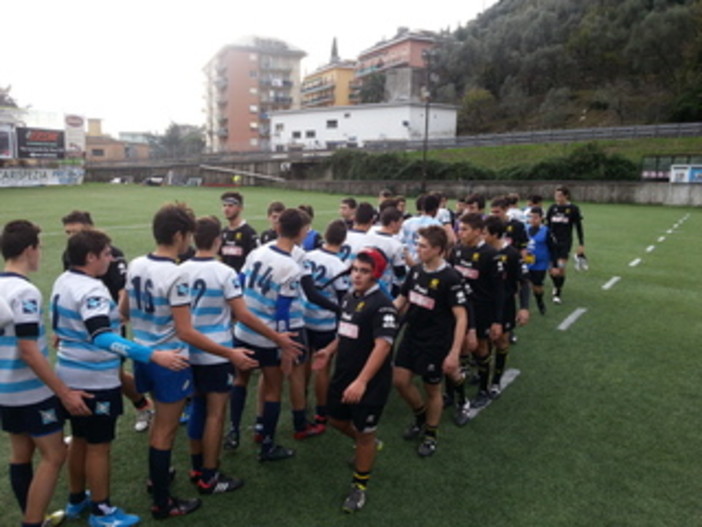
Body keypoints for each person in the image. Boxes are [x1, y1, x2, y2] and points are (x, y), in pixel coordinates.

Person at [122, 202, 257, 519]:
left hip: (143, 355)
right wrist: (230, 353)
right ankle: (165, 502)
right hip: (169, 360)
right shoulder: (174, 274)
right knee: (165, 432)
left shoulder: (137, 263)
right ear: (180, 235)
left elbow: (124, 312)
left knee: (160, 424)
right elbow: (185, 331)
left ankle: (158, 483)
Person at [53, 229, 188, 527]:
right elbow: (101, 336)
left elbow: (65, 325)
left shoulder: (63, 280)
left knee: (80, 438)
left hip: (68, 372)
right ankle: (102, 511)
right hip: (94, 379)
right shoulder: (93, 290)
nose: (111, 258)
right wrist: (153, 355)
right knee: (99, 446)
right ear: (90, 257)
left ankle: (77, 500)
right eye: (105, 254)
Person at [180, 216, 302, 493]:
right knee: (251, 397)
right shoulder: (225, 272)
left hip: (200, 346)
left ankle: (202, 461)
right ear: (217, 241)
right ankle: (251, 452)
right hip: (230, 345)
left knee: (205, 402)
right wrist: (279, 339)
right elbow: (246, 312)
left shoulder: (182, 269)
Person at [0, 220, 91, 527]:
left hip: (6, 389)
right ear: (29, 250)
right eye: (39, 248)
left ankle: (32, 517)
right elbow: (28, 351)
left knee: (21, 453)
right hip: (30, 391)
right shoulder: (25, 292)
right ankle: (33, 522)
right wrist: (64, 393)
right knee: (54, 456)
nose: (40, 254)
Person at [312, 249, 398, 513]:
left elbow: (382, 346)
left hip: (369, 384)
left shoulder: (383, 305)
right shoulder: (350, 297)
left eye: (364, 271)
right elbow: (346, 332)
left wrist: (361, 381)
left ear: (376, 275)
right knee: (336, 419)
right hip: (343, 377)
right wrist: (329, 350)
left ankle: (359, 488)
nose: (357, 275)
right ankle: (369, 443)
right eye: (355, 269)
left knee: (364, 435)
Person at [60, 210, 154, 433]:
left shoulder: (111, 255)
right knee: (103, 374)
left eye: (76, 231)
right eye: (68, 233)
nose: (71, 237)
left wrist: (120, 317)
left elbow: (124, 289)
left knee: (114, 373)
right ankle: (141, 405)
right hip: (81, 328)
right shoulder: (70, 256)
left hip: (105, 325)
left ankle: (143, 405)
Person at [230, 208, 309, 461]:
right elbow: (283, 311)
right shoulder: (290, 266)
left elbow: (239, 283)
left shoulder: (257, 251)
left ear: (278, 227)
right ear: (299, 233)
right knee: (274, 389)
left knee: (240, 380)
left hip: (243, 330)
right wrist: (285, 345)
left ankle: (233, 431)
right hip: (266, 336)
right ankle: (267, 444)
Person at [393, 226, 468, 457]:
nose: (418, 249)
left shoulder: (450, 277)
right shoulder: (415, 271)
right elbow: (402, 299)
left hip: (435, 342)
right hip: (411, 336)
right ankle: (420, 416)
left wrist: (454, 352)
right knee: (400, 381)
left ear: (437, 249)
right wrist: (382, 316)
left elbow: (461, 316)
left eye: (423, 246)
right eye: (418, 244)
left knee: (432, 388)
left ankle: (431, 434)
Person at [452, 213, 505, 409]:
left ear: (478, 231)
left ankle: (483, 388)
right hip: (459, 308)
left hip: (482, 309)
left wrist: (497, 320)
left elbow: (499, 291)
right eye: (459, 228)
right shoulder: (456, 251)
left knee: (481, 348)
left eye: (464, 229)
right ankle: (453, 391)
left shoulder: (490, 255)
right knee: (458, 348)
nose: (460, 232)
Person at [302, 219, 349, 430]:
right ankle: (321, 413)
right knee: (322, 368)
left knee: (302, 365)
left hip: (303, 318)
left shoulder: (307, 256)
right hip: (324, 323)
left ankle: (300, 406)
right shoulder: (339, 266)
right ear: (343, 240)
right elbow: (342, 300)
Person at [483, 217, 530, 397]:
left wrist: (524, 307)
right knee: (483, 342)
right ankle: (482, 374)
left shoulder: (511, 254)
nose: (481, 235)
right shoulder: (482, 252)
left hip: (505, 304)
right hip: (483, 304)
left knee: (501, 340)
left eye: (484, 233)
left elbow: (524, 282)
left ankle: (495, 381)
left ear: (495, 235)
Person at [545, 185, 585, 304]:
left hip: (565, 243)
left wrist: (581, 243)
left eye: (560, 195)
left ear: (566, 196)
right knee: (552, 269)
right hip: (551, 242)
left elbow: (578, 227)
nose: (557, 198)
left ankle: (558, 292)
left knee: (561, 267)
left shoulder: (573, 209)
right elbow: (547, 225)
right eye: (556, 195)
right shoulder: (552, 208)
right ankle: (556, 285)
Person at [366, 207, 406, 298]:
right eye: (400, 222)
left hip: (364, 284)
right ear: (393, 223)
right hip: (383, 290)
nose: (401, 226)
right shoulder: (395, 245)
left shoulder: (369, 233)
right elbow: (400, 274)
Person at [219, 191, 259, 274]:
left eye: (230, 206)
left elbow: (256, 260)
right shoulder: (223, 233)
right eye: (224, 205)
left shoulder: (249, 233)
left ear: (240, 208)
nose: (226, 209)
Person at [400, 194, 443, 267]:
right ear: (436, 209)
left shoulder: (407, 222)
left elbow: (401, 243)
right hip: (426, 265)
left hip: (407, 263)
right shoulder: (437, 225)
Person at [525, 207, 552, 315]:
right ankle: (524, 306)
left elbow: (552, 247)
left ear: (541, 218)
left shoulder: (546, 231)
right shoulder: (524, 228)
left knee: (537, 286)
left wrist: (552, 263)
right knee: (523, 284)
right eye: (531, 217)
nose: (533, 219)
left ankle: (539, 301)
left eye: (536, 217)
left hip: (539, 263)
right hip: (525, 261)